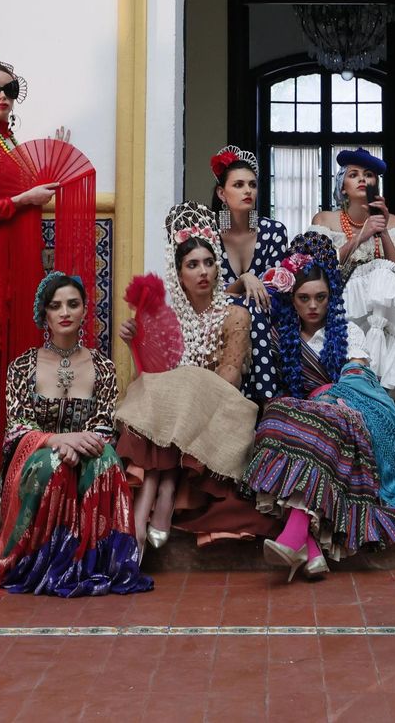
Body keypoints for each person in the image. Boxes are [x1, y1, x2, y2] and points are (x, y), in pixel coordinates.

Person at [0, 273, 153, 594]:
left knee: (106, 460)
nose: (65, 312)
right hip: (35, 459)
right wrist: (58, 441)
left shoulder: (102, 366)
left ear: (84, 311)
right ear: (45, 315)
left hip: (86, 451)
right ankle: (40, 561)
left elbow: (104, 424)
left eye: (73, 304)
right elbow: (18, 428)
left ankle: (94, 562)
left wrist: (77, 446)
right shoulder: (23, 366)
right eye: (56, 306)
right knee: (52, 465)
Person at [245, 233, 395, 579]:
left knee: (322, 423)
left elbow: (357, 376)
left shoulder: (348, 331)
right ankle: (307, 549)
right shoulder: (280, 336)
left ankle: (297, 538)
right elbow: (234, 301)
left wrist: (329, 400)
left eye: (321, 297)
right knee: (275, 417)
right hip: (312, 416)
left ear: (331, 297)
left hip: (355, 408)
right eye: (304, 298)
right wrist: (247, 279)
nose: (313, 306)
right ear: (291, 299)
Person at [0, 54, 84, 504]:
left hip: (18, 265)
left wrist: (46, 180)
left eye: (11, 90)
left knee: (18, 357)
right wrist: (23, 198)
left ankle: (11, 457)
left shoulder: (6, 141)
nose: (2, 96)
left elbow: (20, 197)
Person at [115, 203, 273, 552]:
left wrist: (185, 383)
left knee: (183, 387)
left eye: (209, 262)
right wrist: (134, 346)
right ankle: (158, 494)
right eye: (192, 265)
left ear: (218, 267)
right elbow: (151, 381)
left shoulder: (235, 315)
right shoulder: (165, 319)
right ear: (179, 274)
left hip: (217, 414)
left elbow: (227, 380)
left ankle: (154, 500)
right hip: (171, 422)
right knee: (154, 393)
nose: (203, 272)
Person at [307, 147, 395, 409]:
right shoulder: (325, 220)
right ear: (342, 186)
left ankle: (375, 363)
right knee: (379, 273)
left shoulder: (392, 221)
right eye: (353, 174)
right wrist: (361, 237)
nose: (362, 179)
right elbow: (319, 270)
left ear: (376, 184)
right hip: (344, 304)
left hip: (382, 312)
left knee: (384, 272)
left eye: (369, 175)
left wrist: (384, 230)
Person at [209, 145, 291, 403]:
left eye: (252, 185)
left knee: (254, 309)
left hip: (265, 310)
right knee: (245, 309)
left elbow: (277, 290)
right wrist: (244, 280)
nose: (247, 191)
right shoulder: (208, 233)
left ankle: (262, 405)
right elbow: (205, 294)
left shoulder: (273, 231)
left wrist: (252, 291)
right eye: (239, 185)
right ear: (222, 193)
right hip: (216, 313)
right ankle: (264, 399)